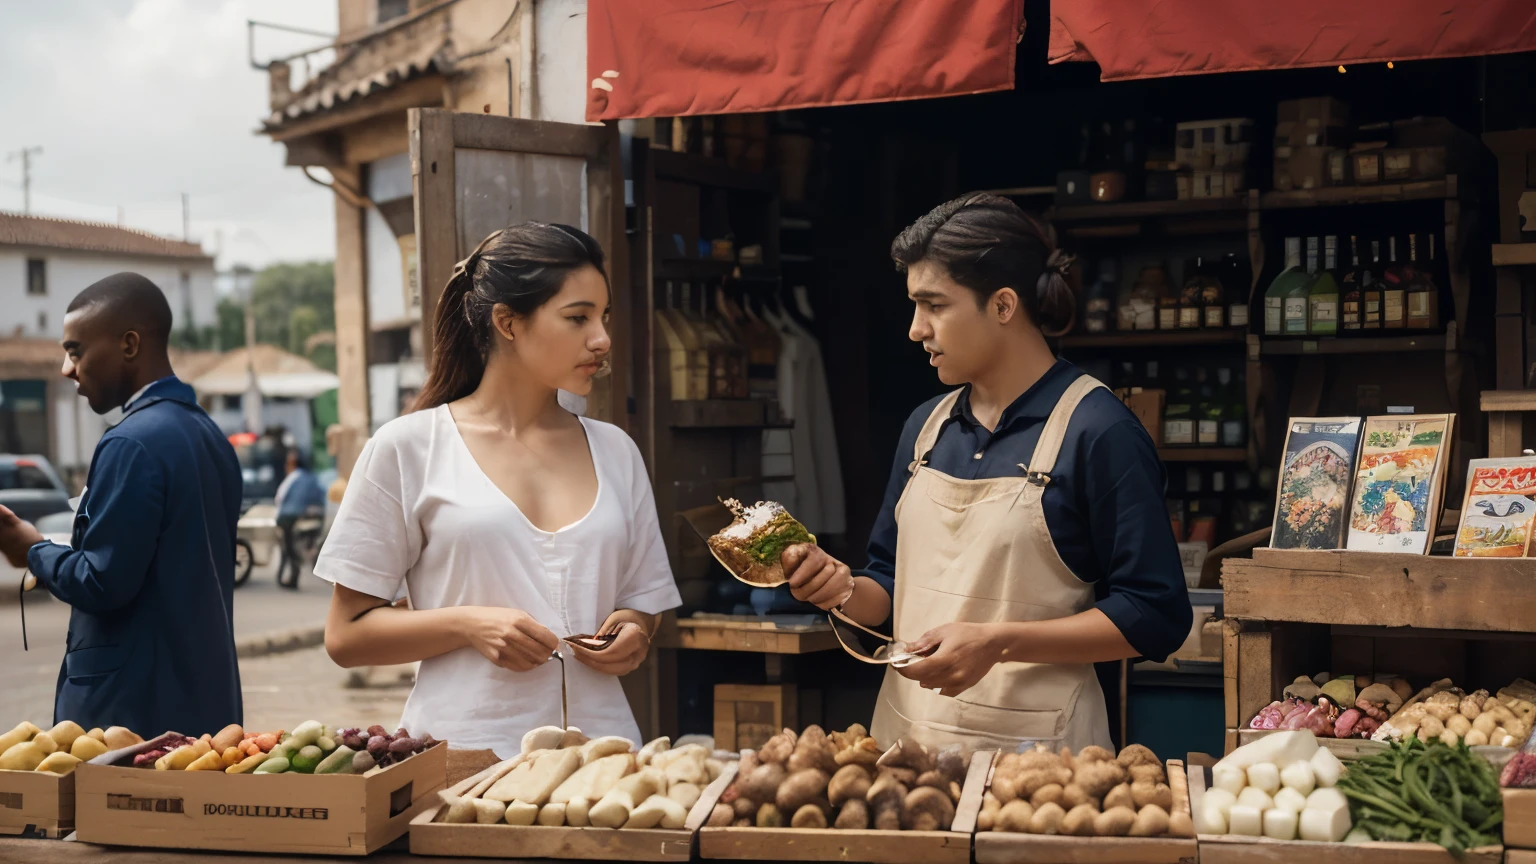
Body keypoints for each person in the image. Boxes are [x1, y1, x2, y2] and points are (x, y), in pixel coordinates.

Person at [782, 193, 1192, 752]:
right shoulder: (925, 429)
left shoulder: (1099, 431)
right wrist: (842, 588)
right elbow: (888, 586)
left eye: (934, 306)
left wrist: (997, 643)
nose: (914, 329)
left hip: (1041, 769)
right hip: (906, 747)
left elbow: (1155, 614)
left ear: (1003, 305)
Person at [317, 222, 681, 756]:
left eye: (603, 317)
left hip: (606, 763)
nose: (602, 338)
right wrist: (468, 625)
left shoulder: (616, 451)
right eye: (578, 317)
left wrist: (633, 630)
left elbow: (641, 600)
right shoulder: (408, 447)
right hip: (461, 761)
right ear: (508, 322)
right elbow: (346, 636)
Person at [0, 272, 244, 734]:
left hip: (130, 718)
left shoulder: (130, 442)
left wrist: (30, 549)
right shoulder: (211, 438)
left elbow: (103, 582)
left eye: (76, 351)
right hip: (205, 704)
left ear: (129, 345)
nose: (67, 369)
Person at [274, 448, 325, 589]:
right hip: (299, 516)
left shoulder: (295, 478)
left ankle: (293, 574)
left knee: (289, 547)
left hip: (289, 516)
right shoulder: (309, 478)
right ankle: (293, 574)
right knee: (289, 548)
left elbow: (279, 498)